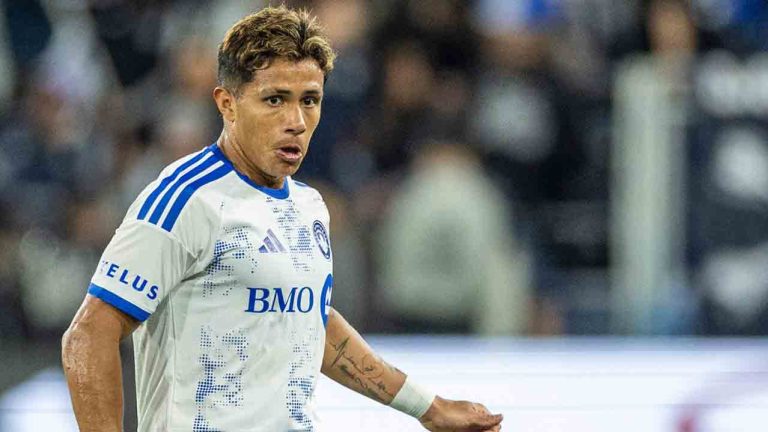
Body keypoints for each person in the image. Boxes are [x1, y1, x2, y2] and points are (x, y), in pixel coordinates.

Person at [61, 5, 504, 432]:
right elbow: (89, 334)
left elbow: (312, 323)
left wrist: (428, 408)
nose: (295, 120)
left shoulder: (308, 206)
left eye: (309, 100)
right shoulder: (187, 198)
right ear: (227, 104)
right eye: (275, 99)